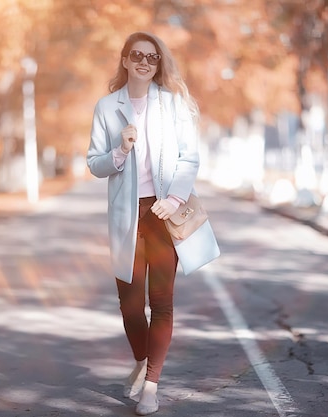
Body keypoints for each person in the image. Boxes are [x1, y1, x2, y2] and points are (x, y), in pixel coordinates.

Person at [87, 31, 217, 415]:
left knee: (161, 304)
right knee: (130, 306)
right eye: (137, 55)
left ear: (159, 64)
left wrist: (174, 197)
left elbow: (189, 157)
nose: (145, 62)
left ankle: (152, 385)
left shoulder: (172, 105)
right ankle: (143, 361)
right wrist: (120, 150)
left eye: (152, 57)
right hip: (127, 217)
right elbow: (94, 163)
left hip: (164, 214)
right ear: (125, 60)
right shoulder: (107, 108)